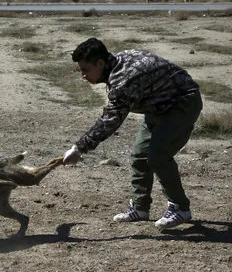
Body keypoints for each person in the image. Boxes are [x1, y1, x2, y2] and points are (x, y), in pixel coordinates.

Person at [62, 38, 203, 229]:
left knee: (158, 157)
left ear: (100, 63)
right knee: (140, 155)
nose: (83, 76)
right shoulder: (119, 61)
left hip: (182, 104)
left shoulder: (124, 80)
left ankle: (180, 208)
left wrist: (79, 148)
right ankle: (140, 208)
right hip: (157, 105)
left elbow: (110, 120)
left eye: (86, 70)